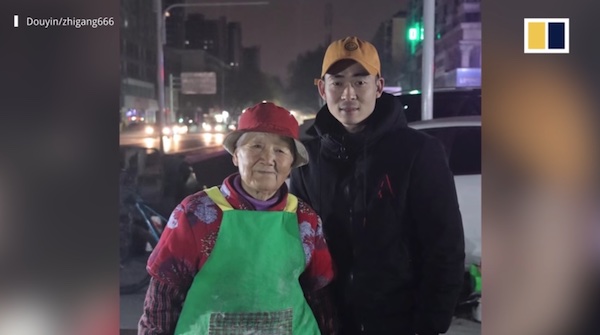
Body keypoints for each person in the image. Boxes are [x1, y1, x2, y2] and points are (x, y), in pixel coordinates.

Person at [290, 36, 465, 335]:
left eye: (360, 82)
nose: (348, 94)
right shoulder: (308, 158)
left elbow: (445, 247)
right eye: (337, 83)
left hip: (401, 322)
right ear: (322, 88)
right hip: (330, 323)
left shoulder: (418, 152)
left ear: (379, 87)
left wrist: (430, 324)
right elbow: (297, 245)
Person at [139, 102, 334, 335]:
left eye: (280, 151)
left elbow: (320, 295)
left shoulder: (306, 220)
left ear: (291, 163)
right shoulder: (195, 214)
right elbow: (162, 297)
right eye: (256, 146)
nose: (267, 158)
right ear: (235, 156)